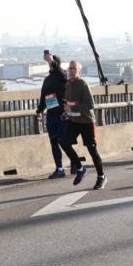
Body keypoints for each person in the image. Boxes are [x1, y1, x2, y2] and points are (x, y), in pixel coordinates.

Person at [60, 60, 106, 189]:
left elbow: (90, 104)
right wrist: (66, 112)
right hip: (73, 121)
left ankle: (101, 176)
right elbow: (69, 103)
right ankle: (80, 168)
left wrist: (72, 109)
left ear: (79, 71)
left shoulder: (83, 84)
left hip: (86, 122)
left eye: (74, 68)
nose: (71, 71)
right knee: (63, 141)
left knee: (92, 149)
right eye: (70, 68)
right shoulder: (67, 85)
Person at [37, 54, 76, 179]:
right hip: (51, 114)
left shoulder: (62, 75)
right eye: (49, 63)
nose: (49, 65)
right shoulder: (47, 79)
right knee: (54, 142)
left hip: (62, 114)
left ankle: (74, 161)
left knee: (63, 141)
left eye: (51, 63)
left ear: (56, 63)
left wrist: (51, 60)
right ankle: (59, 169)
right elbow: (44, 96)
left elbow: (60, 71)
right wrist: (39, 111)